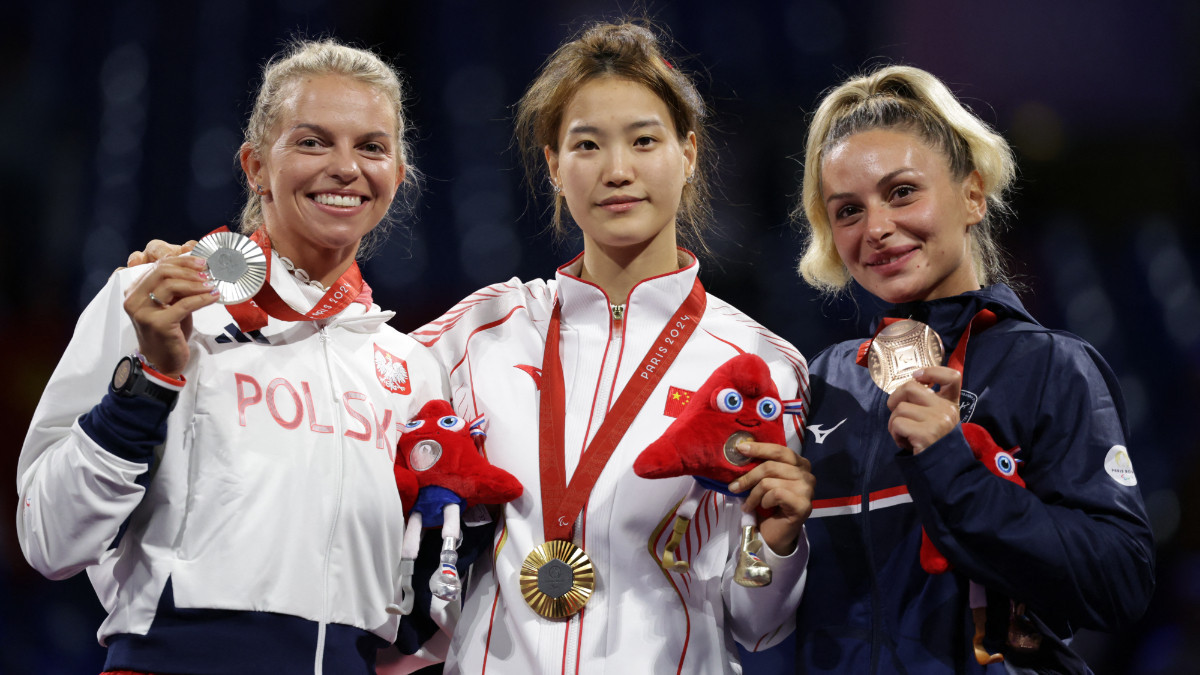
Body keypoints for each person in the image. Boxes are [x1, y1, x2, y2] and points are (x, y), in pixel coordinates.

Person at [17, 39, 448, 674]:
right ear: (254, 166)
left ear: (397, 175)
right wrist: (149, 383)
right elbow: (48, 538)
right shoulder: (155, 300)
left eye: (371, 147)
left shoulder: (409, 366)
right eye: (311, 142)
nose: (345, 167)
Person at [404, 21, 815, 674]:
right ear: (554, 165)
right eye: (587, 144)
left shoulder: (760, 363)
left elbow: (757, 625)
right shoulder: (478, 331)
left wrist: (778, 537)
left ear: (688, 152)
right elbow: (347, 385)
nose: (618, 171)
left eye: (644, 140)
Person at [789, 65, 1155, 673]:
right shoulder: (822, 383)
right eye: (848, 210)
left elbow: (1120, 581)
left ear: (972, 195)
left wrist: (951, 464)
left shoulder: (1049, 367)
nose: (876, 228)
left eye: (902, 192)